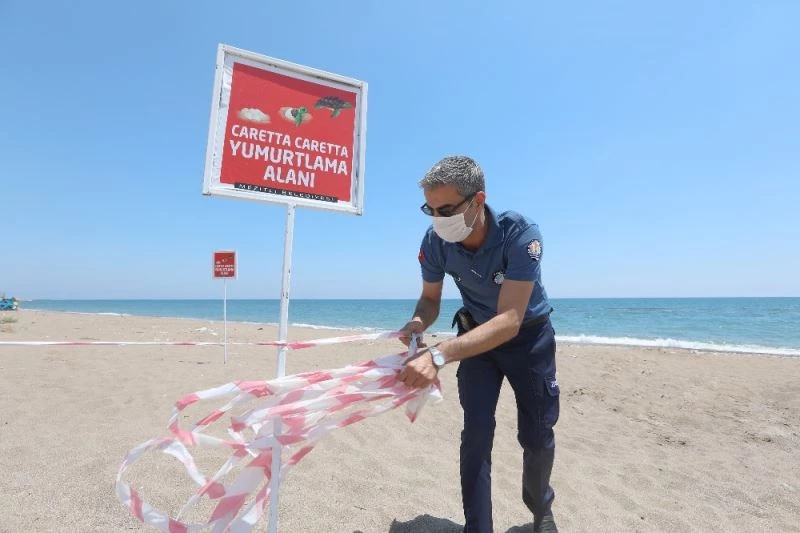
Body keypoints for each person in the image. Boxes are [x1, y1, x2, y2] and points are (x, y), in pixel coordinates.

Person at [397, 156, 560, 533]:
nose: (437, 219)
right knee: (476, 435)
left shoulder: (521, 234)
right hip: (475, 342)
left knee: (536, 435)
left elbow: (510, 320)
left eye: (446, 209)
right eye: (430, 210)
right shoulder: (436, 241)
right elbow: (430, 300)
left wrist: (437, 355)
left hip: (528, 339)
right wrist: (418, 322)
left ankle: (540, 510)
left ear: (478, 199)